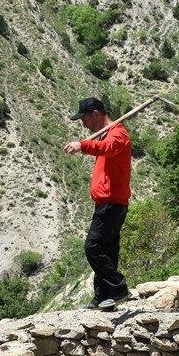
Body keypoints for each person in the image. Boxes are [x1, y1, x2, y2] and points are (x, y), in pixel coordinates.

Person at [64, 97, 132, 310]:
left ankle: (119, 287)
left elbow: (108, 148)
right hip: (108, 202)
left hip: (112, 201)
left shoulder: (117, 134)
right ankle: (102, 297)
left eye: (84, 118)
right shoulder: (106, 134)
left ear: (95, 114)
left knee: (93, 247)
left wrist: (82, 145)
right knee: (107, 251)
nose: (82, 124)